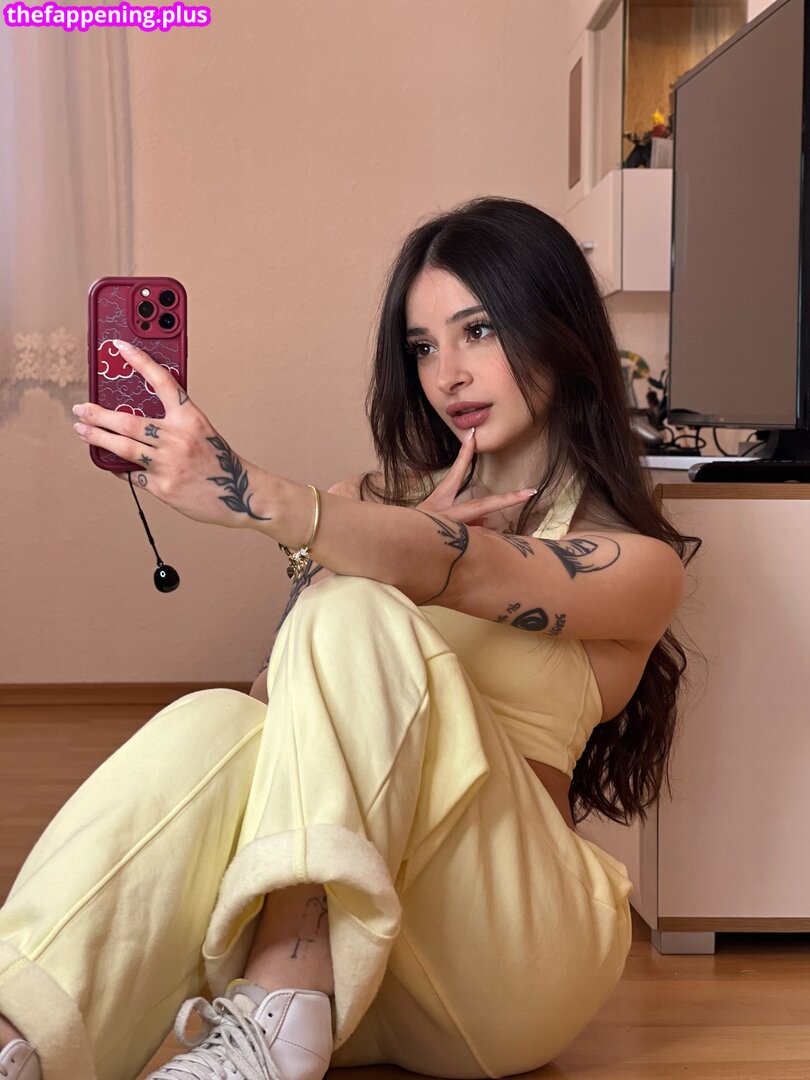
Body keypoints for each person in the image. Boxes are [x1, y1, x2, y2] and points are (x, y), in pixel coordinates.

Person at [0, 195, 701, 1080]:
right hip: (366, 958)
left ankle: (278, 998)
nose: (448, 373)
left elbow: (473, 570)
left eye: (478, 330)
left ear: (558, 329)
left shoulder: (636, 564)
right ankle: (18, 1030)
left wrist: (258, 499)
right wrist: (349, 555)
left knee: (356, 606)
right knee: (217, 722)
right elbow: (274, 722)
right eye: (423, 347)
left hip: (508, 961)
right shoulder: (362, 507)